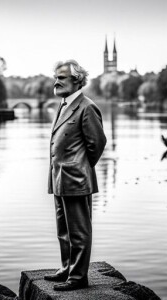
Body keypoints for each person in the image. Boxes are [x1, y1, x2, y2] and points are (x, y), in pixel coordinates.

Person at [44, 60, 106, 291]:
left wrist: (80, 167)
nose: (56, 81)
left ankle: (78, 277)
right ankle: (67, 268)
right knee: (63, 229)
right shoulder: (64, 104)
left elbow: (97, 144)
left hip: (76, 179)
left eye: (61, 77)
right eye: (56, 77)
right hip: (58, 178)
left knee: (79, 231)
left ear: (77, 80)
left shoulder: (87, 106)